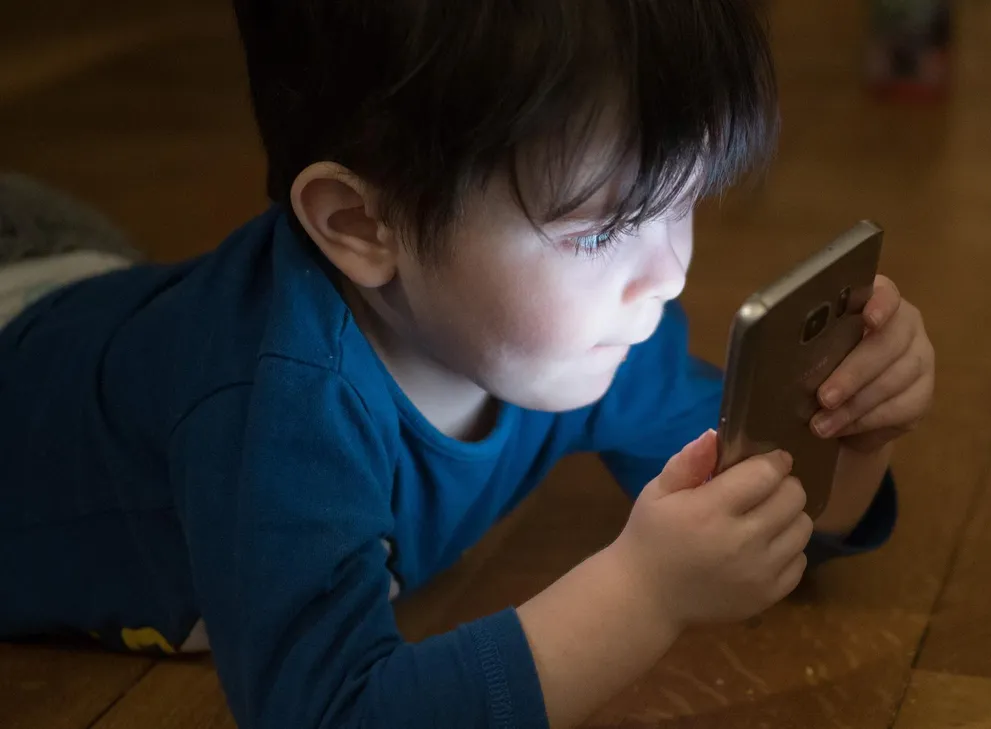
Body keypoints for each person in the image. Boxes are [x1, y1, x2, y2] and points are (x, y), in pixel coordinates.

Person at [0, 1, 935, 727]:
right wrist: (644, 594)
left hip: (88, 290)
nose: (670, 271)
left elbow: (767, 516)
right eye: (604, 228)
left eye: (682, 198)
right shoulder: (278, 412)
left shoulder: (591, 331)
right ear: (365, 225)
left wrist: (852, 434)